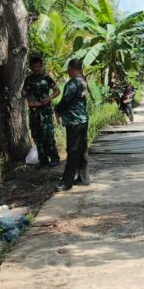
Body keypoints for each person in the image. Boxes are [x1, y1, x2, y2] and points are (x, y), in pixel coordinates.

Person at [55, 58, 90, 191]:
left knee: (73, 151)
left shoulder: (74, 83)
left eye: (68, 70)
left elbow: (65, 100)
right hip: (82, 120)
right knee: (81, 150)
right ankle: (84, 178)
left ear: (71, 68)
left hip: (74, 121)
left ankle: (66, 182)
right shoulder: (83, 81)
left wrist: (57, 110)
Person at [22, 55, 61, 167]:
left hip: (45, 112)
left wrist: (49, 98)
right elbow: (23, 93)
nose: (37, 68)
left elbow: (57, 90)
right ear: (31, 67)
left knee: (48, 135)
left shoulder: (46, 78)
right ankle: (43, 160)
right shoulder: (28, 80)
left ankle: (54, 158)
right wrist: (26, 96)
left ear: (41, 66)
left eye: (39, 66)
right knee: (37, 136)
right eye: (35, 66)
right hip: (34, 112)